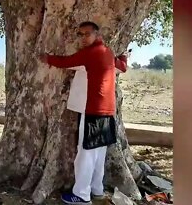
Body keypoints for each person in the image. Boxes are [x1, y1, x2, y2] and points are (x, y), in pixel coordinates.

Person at [40, 21, 128, 205]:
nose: (83, 38)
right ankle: (97, 190)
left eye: (87, 34)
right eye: (80, 34)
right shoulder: (108, 52)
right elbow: (122, 66)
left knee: (86, 152)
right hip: (108, 111)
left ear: (97, 34)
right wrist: (124, 57)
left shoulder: (89, 53)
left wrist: (47, 58)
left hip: (93, 110)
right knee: (99, 153)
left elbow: (66, 62)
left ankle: (81, 194)